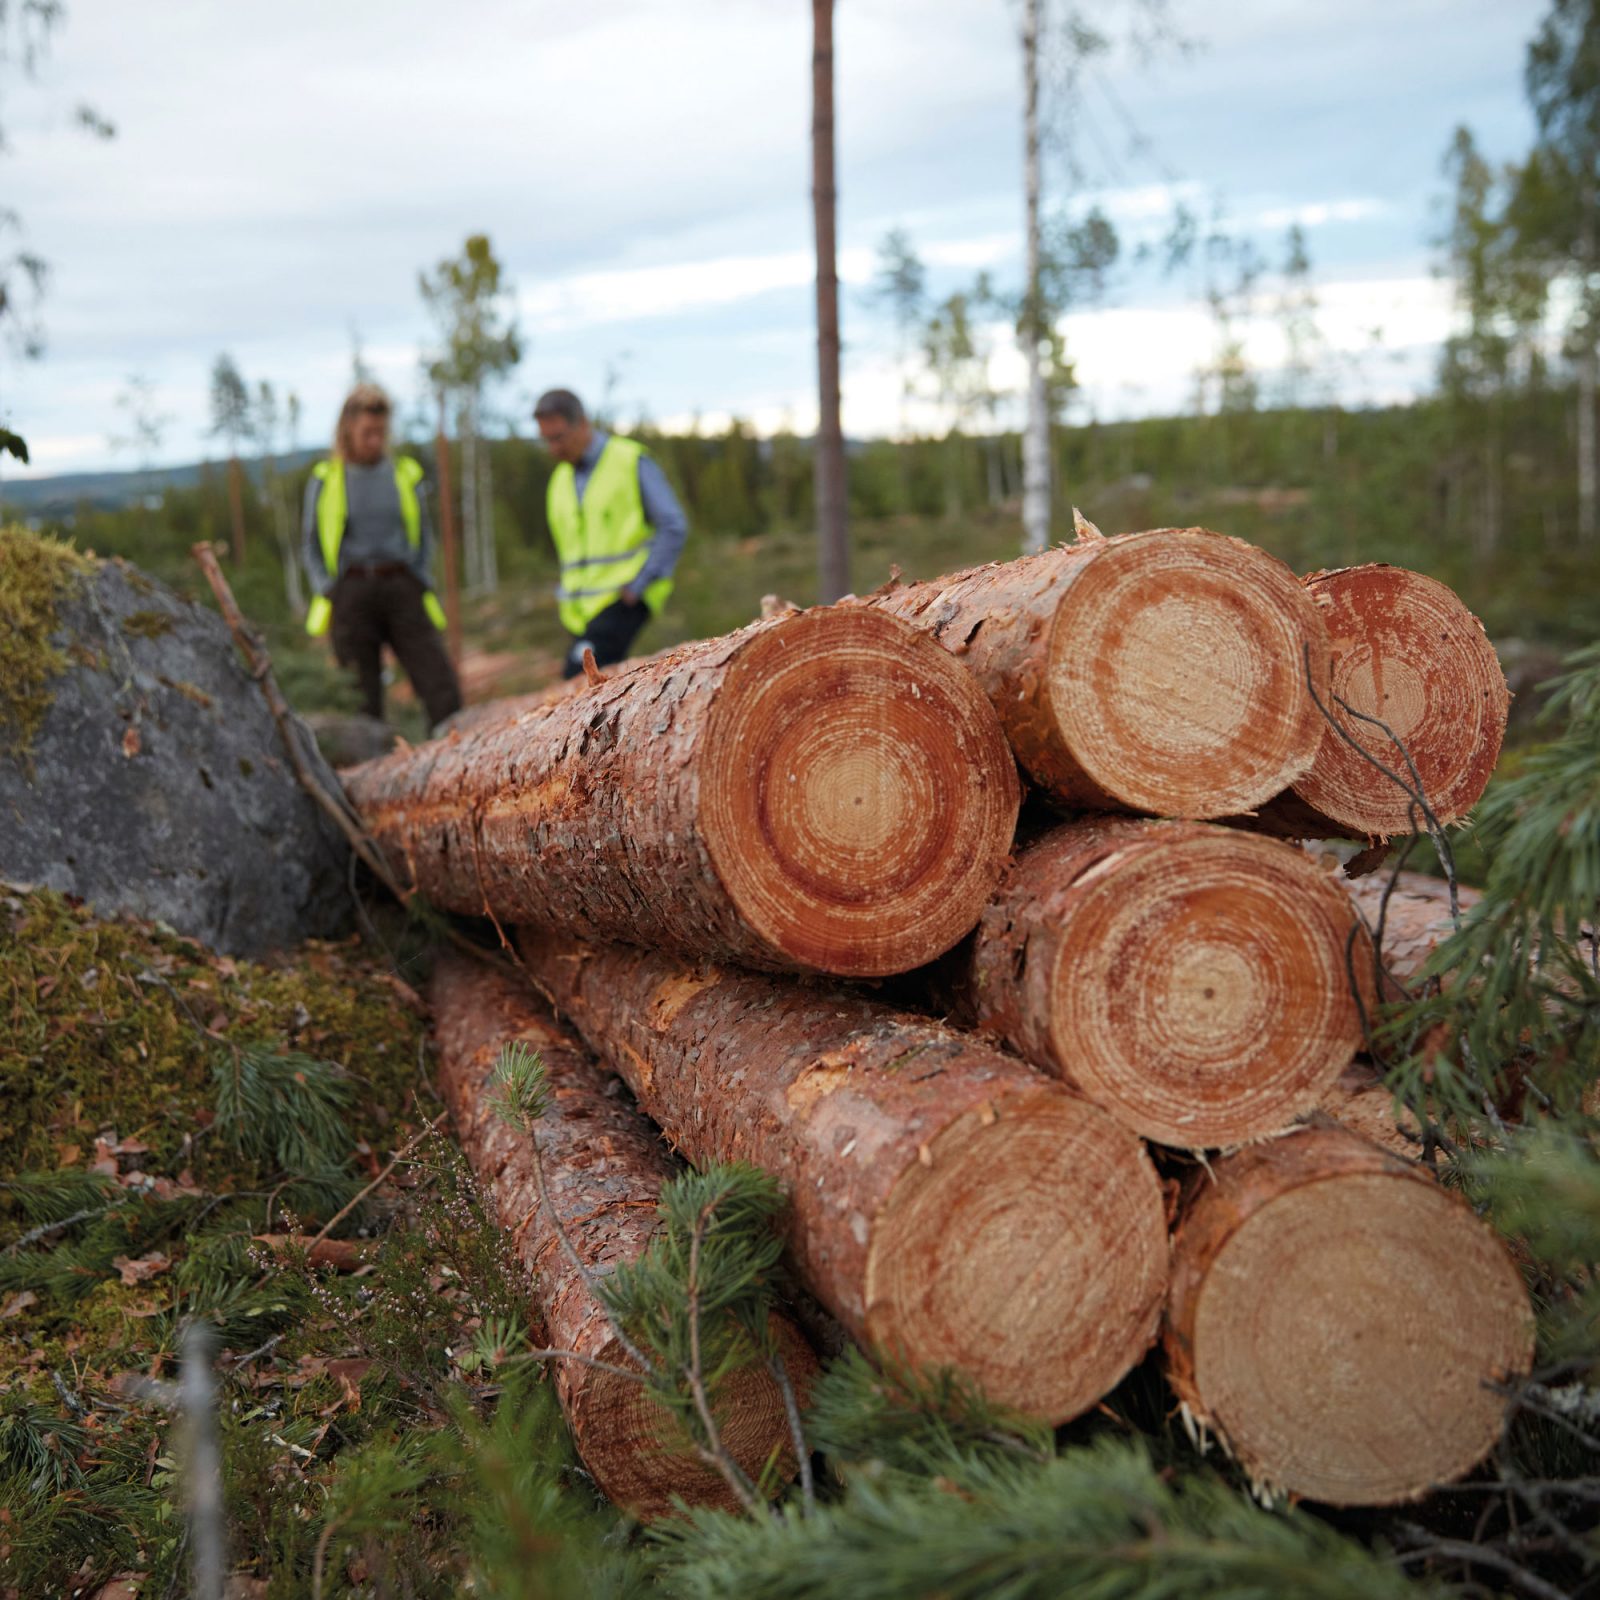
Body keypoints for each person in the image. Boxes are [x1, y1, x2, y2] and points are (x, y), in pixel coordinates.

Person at [302, 383, 462, 729]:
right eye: (367, 432)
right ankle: (372, 770)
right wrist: (329, 589)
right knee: (362, 698)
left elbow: (424, 534)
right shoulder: (326, 479)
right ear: (347, 429)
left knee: (439, 683)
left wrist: (419, 577)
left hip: (403, 585)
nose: (375, 439)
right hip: (351, 593)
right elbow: (311, 543)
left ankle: (457, 752)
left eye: (381, 431)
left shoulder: (404, 473)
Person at [533, 388, 689, 677]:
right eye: (546, 440)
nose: (554, 448)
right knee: (597, 689)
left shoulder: (629, 460)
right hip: (580, 614)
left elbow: (673, 525)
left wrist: (638, 586)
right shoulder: (559, 481)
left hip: (624, 598)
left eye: (558, 437)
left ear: (582, 424)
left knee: (577, 681)